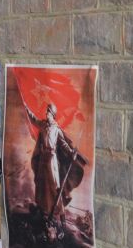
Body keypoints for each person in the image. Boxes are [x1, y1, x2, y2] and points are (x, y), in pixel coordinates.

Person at [23, 99, 88, 240]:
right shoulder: (43, 125)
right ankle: (44, 217)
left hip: (52, 161)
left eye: (48, 112)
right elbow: (33, 119)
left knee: (55, 190)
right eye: (46, 111)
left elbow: (63, 144)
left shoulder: (56, 129)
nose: (46, 114)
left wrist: (71, 152)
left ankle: (62, 223)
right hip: (43, 161)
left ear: (52, 114)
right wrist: (25, 106)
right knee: (42, 188)